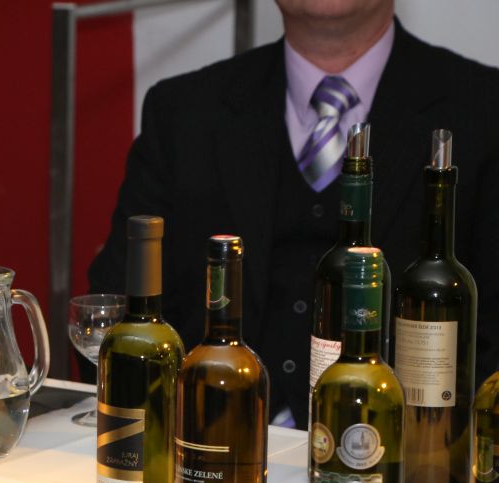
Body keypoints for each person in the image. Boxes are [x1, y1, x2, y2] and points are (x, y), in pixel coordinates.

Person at [88, 0, 499, 428]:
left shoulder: (483, 109)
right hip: (211, 444)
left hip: (403, 452)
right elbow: (122, 307)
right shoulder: (183, 111)